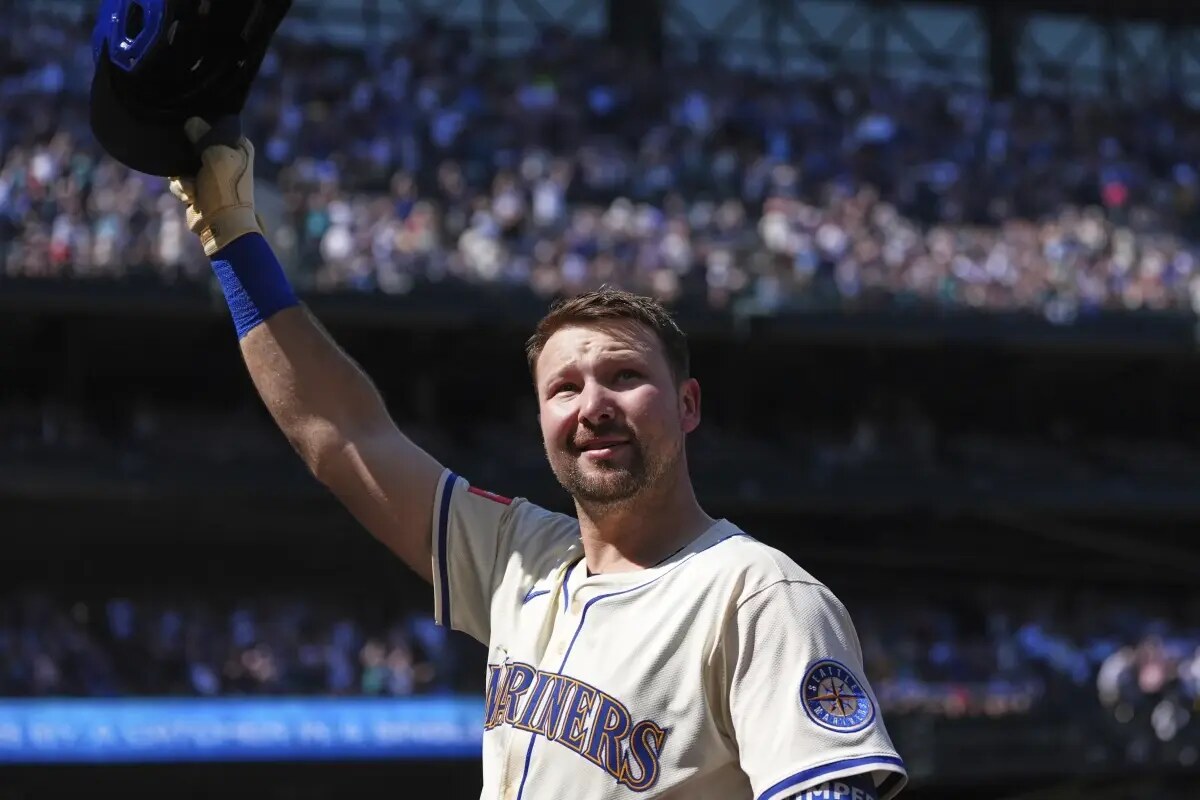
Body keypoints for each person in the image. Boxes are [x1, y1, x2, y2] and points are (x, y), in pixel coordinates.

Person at [167, 118, 907, 800]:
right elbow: (343, 435)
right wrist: (235, 239)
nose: (592, 406)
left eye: (624, 376)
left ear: (687, 407)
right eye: (564, 387)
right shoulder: (520, 558)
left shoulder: (756, 594)